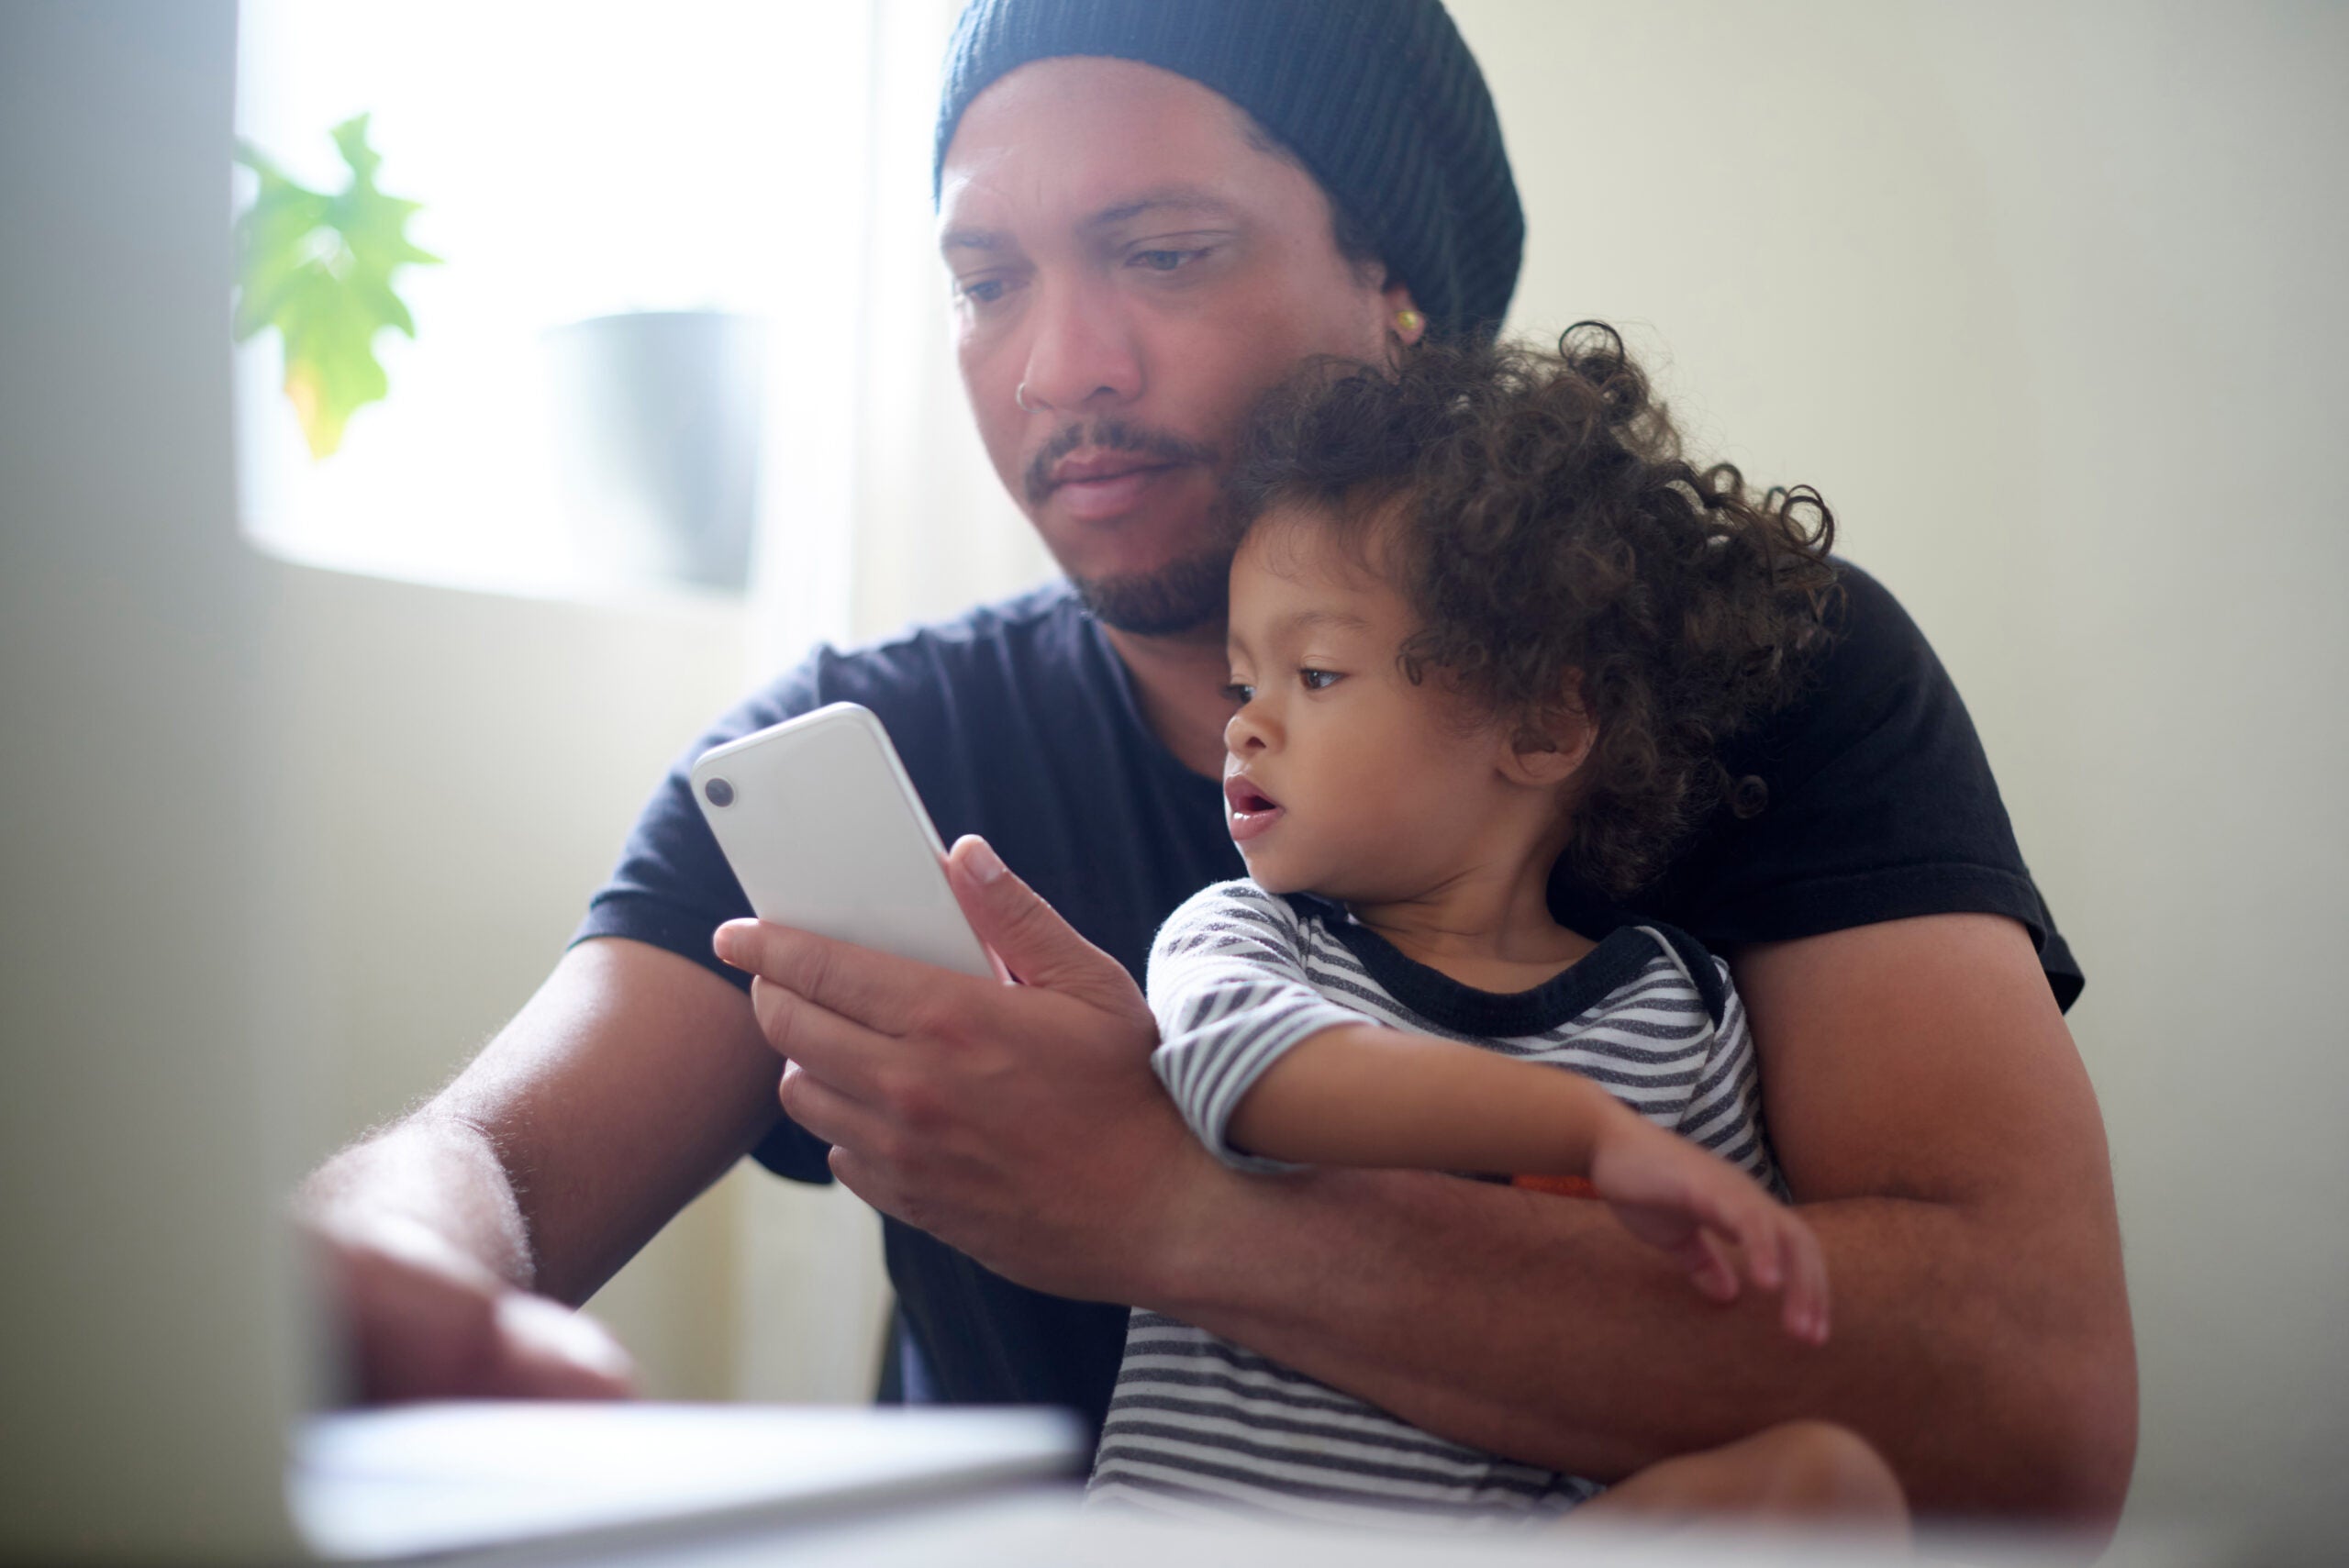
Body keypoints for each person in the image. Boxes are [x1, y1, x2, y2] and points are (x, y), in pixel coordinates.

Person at [300, 0, 2136, 1529]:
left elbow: (2023, 1416)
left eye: (1161, 254)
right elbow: (488, 1165)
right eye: (983, 281)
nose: (1056, 367)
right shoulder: (882, 751)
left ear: (1397, 285)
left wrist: (1173, 1204)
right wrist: (392, 1266)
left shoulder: (1743, 663)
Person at [1081, 330, 1909, 1528]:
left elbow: (1731, 1302)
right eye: (1238, 681)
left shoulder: (1681, 1014)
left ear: (1542, 725)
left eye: (1313, 675)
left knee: (1833, 1486)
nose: (1244, 726)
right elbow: (1249, 1079)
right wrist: (1581, 1130)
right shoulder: (1247, 937)